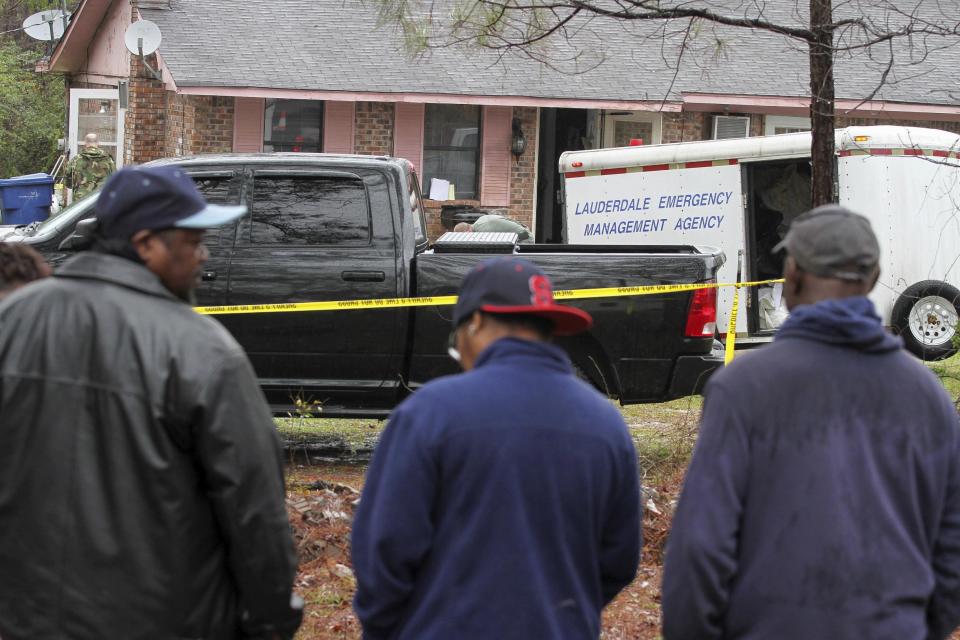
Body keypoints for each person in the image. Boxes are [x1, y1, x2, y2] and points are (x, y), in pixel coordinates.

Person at [0, 166, 302, 639]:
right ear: (146, 244)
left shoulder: (14, 319)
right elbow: (256, 515)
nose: (204, 256)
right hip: (161, 620)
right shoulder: (204, 351)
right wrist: (271, 620)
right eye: (193, 241)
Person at [661, 205, 960, 640]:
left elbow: (701, 547)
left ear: (792, 275)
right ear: (873, 278)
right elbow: (953, 547)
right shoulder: (926, 396)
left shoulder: (743, 388)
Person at [352, 256, 641, 639]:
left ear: (474, 323)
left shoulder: (429, 413)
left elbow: (385, 550)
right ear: (547, 330)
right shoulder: (606, 425)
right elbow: (619, 559)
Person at [64, 132, 117, 201]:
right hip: (101, 201)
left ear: (85, 143)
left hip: (80, 202)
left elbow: (68, 182)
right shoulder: (108, 160)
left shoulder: (75, 160)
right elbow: (115, 181)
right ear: (98, 143)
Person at [454, 213, 534, 242]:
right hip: (524, 231)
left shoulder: (482, 233)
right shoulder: (481, 219)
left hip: (525, 238)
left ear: (468, 232)